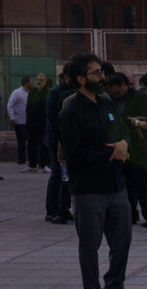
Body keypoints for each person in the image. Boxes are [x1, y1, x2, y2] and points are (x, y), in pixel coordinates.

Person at [60, 53, 136, 289]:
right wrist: (110, 152)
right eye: (95, 73)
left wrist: (125, 143)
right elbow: (74, 153)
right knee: (90, 244)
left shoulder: (106, 103)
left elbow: (122, 131)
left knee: (123, 237)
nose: (101, 77)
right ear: (81, 78)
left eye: (101, 72)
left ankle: (114, 284)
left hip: (115, 183)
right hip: (89, 187)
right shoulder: (71, 110)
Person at [106, 74, 147, 228]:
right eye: (114, 94)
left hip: (138, 146)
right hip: (121, 145)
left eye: (118, 92)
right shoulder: (113, 102)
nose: (117, 96)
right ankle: (131, 213)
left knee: (141, 182)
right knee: (126, 183)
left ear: (123, 85)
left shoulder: (139, 98)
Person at [44, 70, 76, 224]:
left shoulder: (73, 91)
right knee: (58, 174)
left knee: (67, 176)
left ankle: (64, 207)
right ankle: (52, 210)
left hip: (67, 140)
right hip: (56, 141)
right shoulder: (55, 92)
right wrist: (60, 139)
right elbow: (52, 118)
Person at [27, 73, 52, 173]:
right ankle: (32, 164)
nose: (39, 81)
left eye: (41, 80)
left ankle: (45, 164)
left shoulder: (47, 92)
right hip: (32, 121)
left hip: (43, 121)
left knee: (43, 143)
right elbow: (28, 105)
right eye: (37, 79)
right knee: (31, 143)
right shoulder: (32, 91)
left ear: (45, 81)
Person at [7, 76, 30, 169]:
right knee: (21, 140)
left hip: (27, 120)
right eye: (30, 81)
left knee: (27, 139)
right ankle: (21, 159)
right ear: (27, 83)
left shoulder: (29, 93)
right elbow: (10, 105)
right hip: (19, 121)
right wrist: (12, 117)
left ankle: (25, 159)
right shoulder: (17, 93)